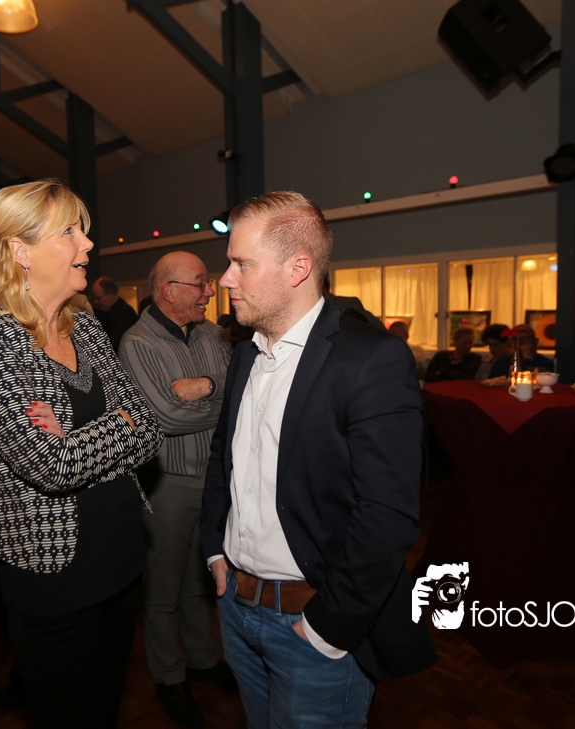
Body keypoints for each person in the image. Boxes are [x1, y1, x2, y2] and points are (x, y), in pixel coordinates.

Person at [200, 191, 436, 729]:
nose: (226, 279)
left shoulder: (371, 358)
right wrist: (214, 548)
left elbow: (387, 514)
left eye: (242, 264)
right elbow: (223, 459)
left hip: (313, 624)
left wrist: (328, 626)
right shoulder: (245, 354)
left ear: (298, 268)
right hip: (236, 608)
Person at [0, 179, 162, 729]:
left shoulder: (84, 325)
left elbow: (148, 428)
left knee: (105, 710)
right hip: (54, 571)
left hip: (122, 555)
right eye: (69, 232)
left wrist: (82, 434)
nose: (86, 244)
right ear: (20, 249)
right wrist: (115, 424)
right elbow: (51, 465)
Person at [117, 252, 235, 729]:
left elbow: (240, 382)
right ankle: (168, 676)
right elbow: (165, 417)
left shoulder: (210, 333)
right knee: (164, 589)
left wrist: (206, 385)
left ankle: (201, 660)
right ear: (170, 291)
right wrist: (225, 398)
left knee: (202, 580)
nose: (210, 291)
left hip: (214, 481)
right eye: (201, 283)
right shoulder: (137, 342)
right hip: (166, 484)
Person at [488, 323, 553, 378]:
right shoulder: (500, 364)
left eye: (526, 338)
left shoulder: (546, 364)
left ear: (535, 341)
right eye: (516, 339)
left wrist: (527, 357)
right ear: (510, 343)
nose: (521, 342)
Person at [90, 275, 138, 350]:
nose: (95, 302)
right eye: (94, 299)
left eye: (98, 298)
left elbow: (116, 344)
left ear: (111, 294)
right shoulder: (115, 310)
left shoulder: (123, 313)